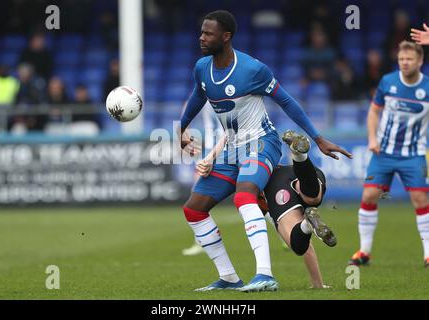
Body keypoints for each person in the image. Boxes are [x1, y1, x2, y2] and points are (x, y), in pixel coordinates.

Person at [179, 10, 352, 292]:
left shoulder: (252, 70)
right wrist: (181, 129)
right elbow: (198, 97)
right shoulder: (201, 68)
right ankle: (229, 278)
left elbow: (287, 101)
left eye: (208, 33)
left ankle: (265, 275)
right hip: (232, 149)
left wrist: (318, 138)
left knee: (245, 196)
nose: (201, 37)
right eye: (201, 32)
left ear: (226, 37)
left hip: (262, 143)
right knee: (193, 210)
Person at [197, 130, 336, 289]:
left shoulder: (257, 196)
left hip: (277, 183)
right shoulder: (257, 139)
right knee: (313, 198)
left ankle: (306, 224)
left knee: (297, 244)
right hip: (309, 173)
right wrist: (318, 285)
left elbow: (305, 249)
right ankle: (300, 157)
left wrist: (209, 159)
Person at [348, 41, 429, 268]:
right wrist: (372, 138)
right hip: (383, 152)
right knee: (368, 196)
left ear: (420, 61)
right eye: (402, 59)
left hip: (414, 155)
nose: (404, 63)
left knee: (420, 199)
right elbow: (374, 112)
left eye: (409, 59)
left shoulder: (428, 88)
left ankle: (428, 254)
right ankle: (364, 252)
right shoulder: (388, 82)